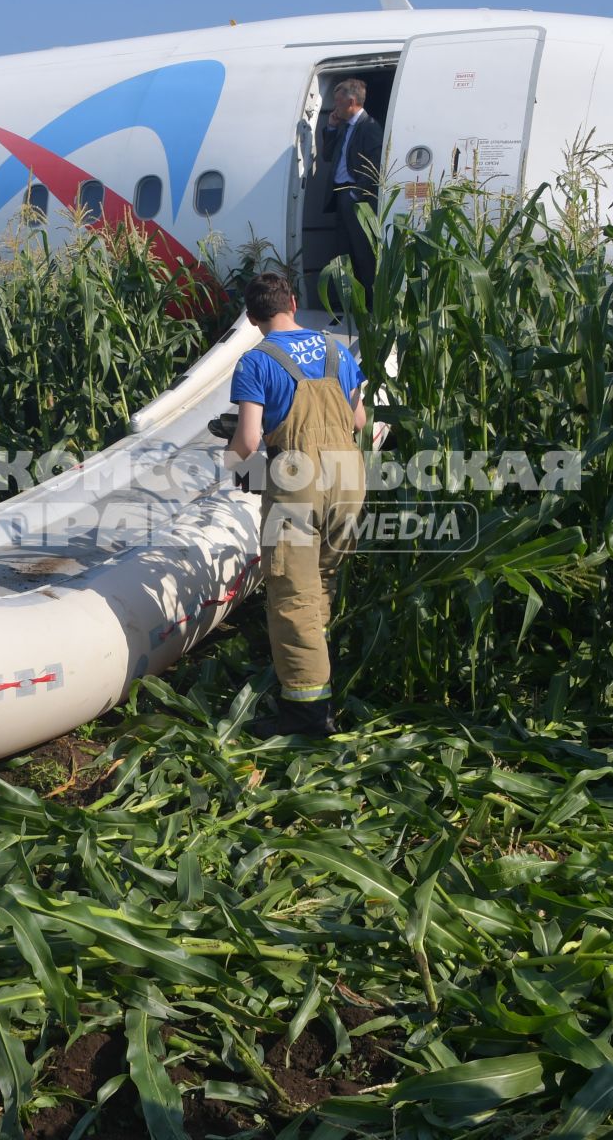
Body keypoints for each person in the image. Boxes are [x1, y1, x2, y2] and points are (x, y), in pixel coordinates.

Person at [226, 270, 368, 736]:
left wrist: (229, 464)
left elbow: (248, 439)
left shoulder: (255, 361)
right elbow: (359, 418)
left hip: (298, 482)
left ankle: (308, 717)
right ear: (291, 300)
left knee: (292, 593)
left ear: (252, 317)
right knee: (321, 581)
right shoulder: (335, 349)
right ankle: (319, 675)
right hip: (349, 478)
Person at [318, 78, 385, 290]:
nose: (335, 108)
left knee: (362, 252)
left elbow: (375, 165)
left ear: (351, 102)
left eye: (338, 103)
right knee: (342, 252)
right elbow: (328, 155)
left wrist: (357, 194)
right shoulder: (343, 126)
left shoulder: (369, 127)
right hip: (341, 195)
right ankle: (347, 302)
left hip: (356, 197)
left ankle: (369, 302)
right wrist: (330, 127)